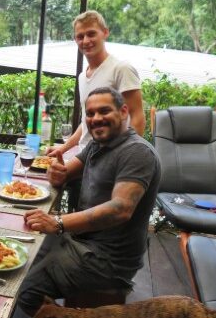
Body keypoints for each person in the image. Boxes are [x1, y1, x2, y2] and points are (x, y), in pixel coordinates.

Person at [12, 87, 161, 318]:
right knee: (23, 255)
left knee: (24, 290)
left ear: (123, 112)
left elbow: (120, 209)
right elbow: (65, 173)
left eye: (104, 111)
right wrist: (57, 172)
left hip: (108, 260)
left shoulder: (137, 152)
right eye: (90, 114)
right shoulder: (97, 145)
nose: (96, 119)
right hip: (82, 241)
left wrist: (58, 222)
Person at [47, 10, 145, 157]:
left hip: (110, 159)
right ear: (75, 40)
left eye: (91, 34)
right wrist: (62, 149)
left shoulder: (121, 69)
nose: (85, 41)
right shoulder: (82, 77)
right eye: (80, 36)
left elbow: (137, 117)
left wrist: (124, 157)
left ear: (105, 33)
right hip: (86, 157)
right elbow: (86, 123)